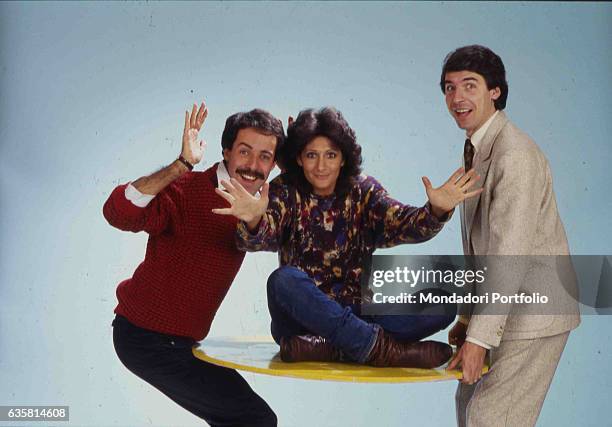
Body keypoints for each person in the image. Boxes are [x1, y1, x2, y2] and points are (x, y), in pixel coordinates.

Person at [213, 107, 482, 368]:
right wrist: (253, 219)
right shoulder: (285, 190)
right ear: (298, 158)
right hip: (302, 318)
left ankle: (330, 347)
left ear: (343, 158)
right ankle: (383, 350)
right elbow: (261, 237)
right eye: (311, 155)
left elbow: (402, 223)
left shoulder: (364, 191)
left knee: (443, 303)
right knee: (283, 281)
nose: (321, 166)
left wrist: (436, 209)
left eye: (330, 155)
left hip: (358, 311)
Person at [103, 102, 284, 427]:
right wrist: (181, 164)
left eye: (265, 157)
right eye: (245, 152)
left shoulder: (262, 205)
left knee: (249, 419)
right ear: (226, 151)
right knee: (254, 420)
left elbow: (277, 232)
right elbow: (117, 213)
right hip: (144, 339)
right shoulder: (187, 191)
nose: (254, 165)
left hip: (181, 343)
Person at [440, 45, 581, 426]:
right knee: (468, 408)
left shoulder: (513, 155)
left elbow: (508, 254)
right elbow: (479, 249)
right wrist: (469, 319)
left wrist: (480, 339)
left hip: (535, 311)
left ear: (495, 91)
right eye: (450, 88)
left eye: (470, 86)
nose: (458, 98)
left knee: (488, 419)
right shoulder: (478, 147)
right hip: (506, 307)